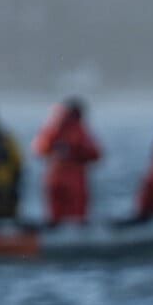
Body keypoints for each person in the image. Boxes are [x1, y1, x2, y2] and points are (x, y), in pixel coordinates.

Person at [32, 97, 101, 226]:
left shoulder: (52, 128)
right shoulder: (78, 130)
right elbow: (95, 154)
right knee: (75, 219)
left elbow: (39, 149)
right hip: (72, 181)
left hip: (55, 179)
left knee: (57, 219)